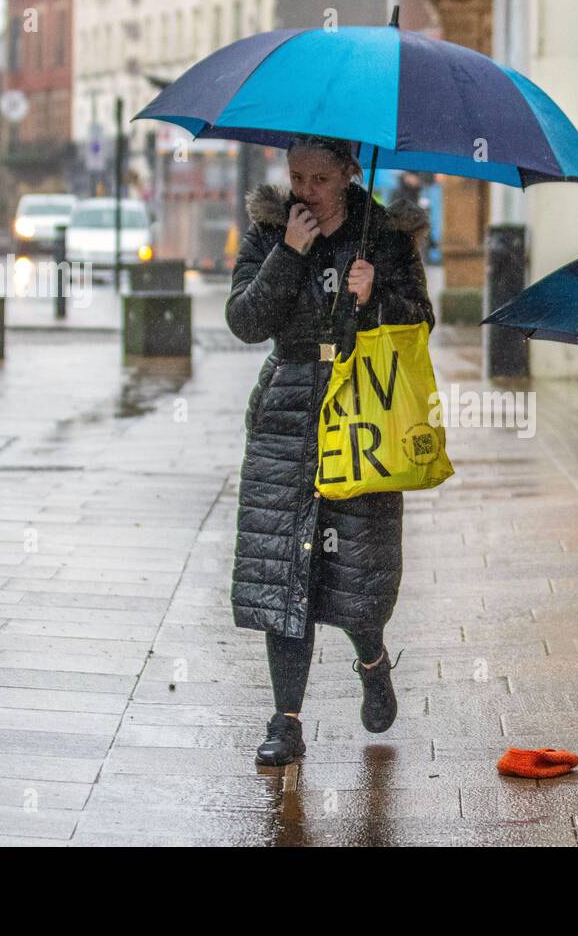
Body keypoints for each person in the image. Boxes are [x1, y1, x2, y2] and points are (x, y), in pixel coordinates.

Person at [225, 134, 434, 767]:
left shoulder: (384, 235)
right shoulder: (270, 231)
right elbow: (244, 320)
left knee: (355, 572)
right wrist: (288, 255)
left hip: (360, 411)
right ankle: (285, 721)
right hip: (288, 414)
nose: (304, 191)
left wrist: (375, 300)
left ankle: (371, 658)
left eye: (319, 178)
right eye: (296, 176)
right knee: (285, 573)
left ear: (348, 171)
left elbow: (421, 319)